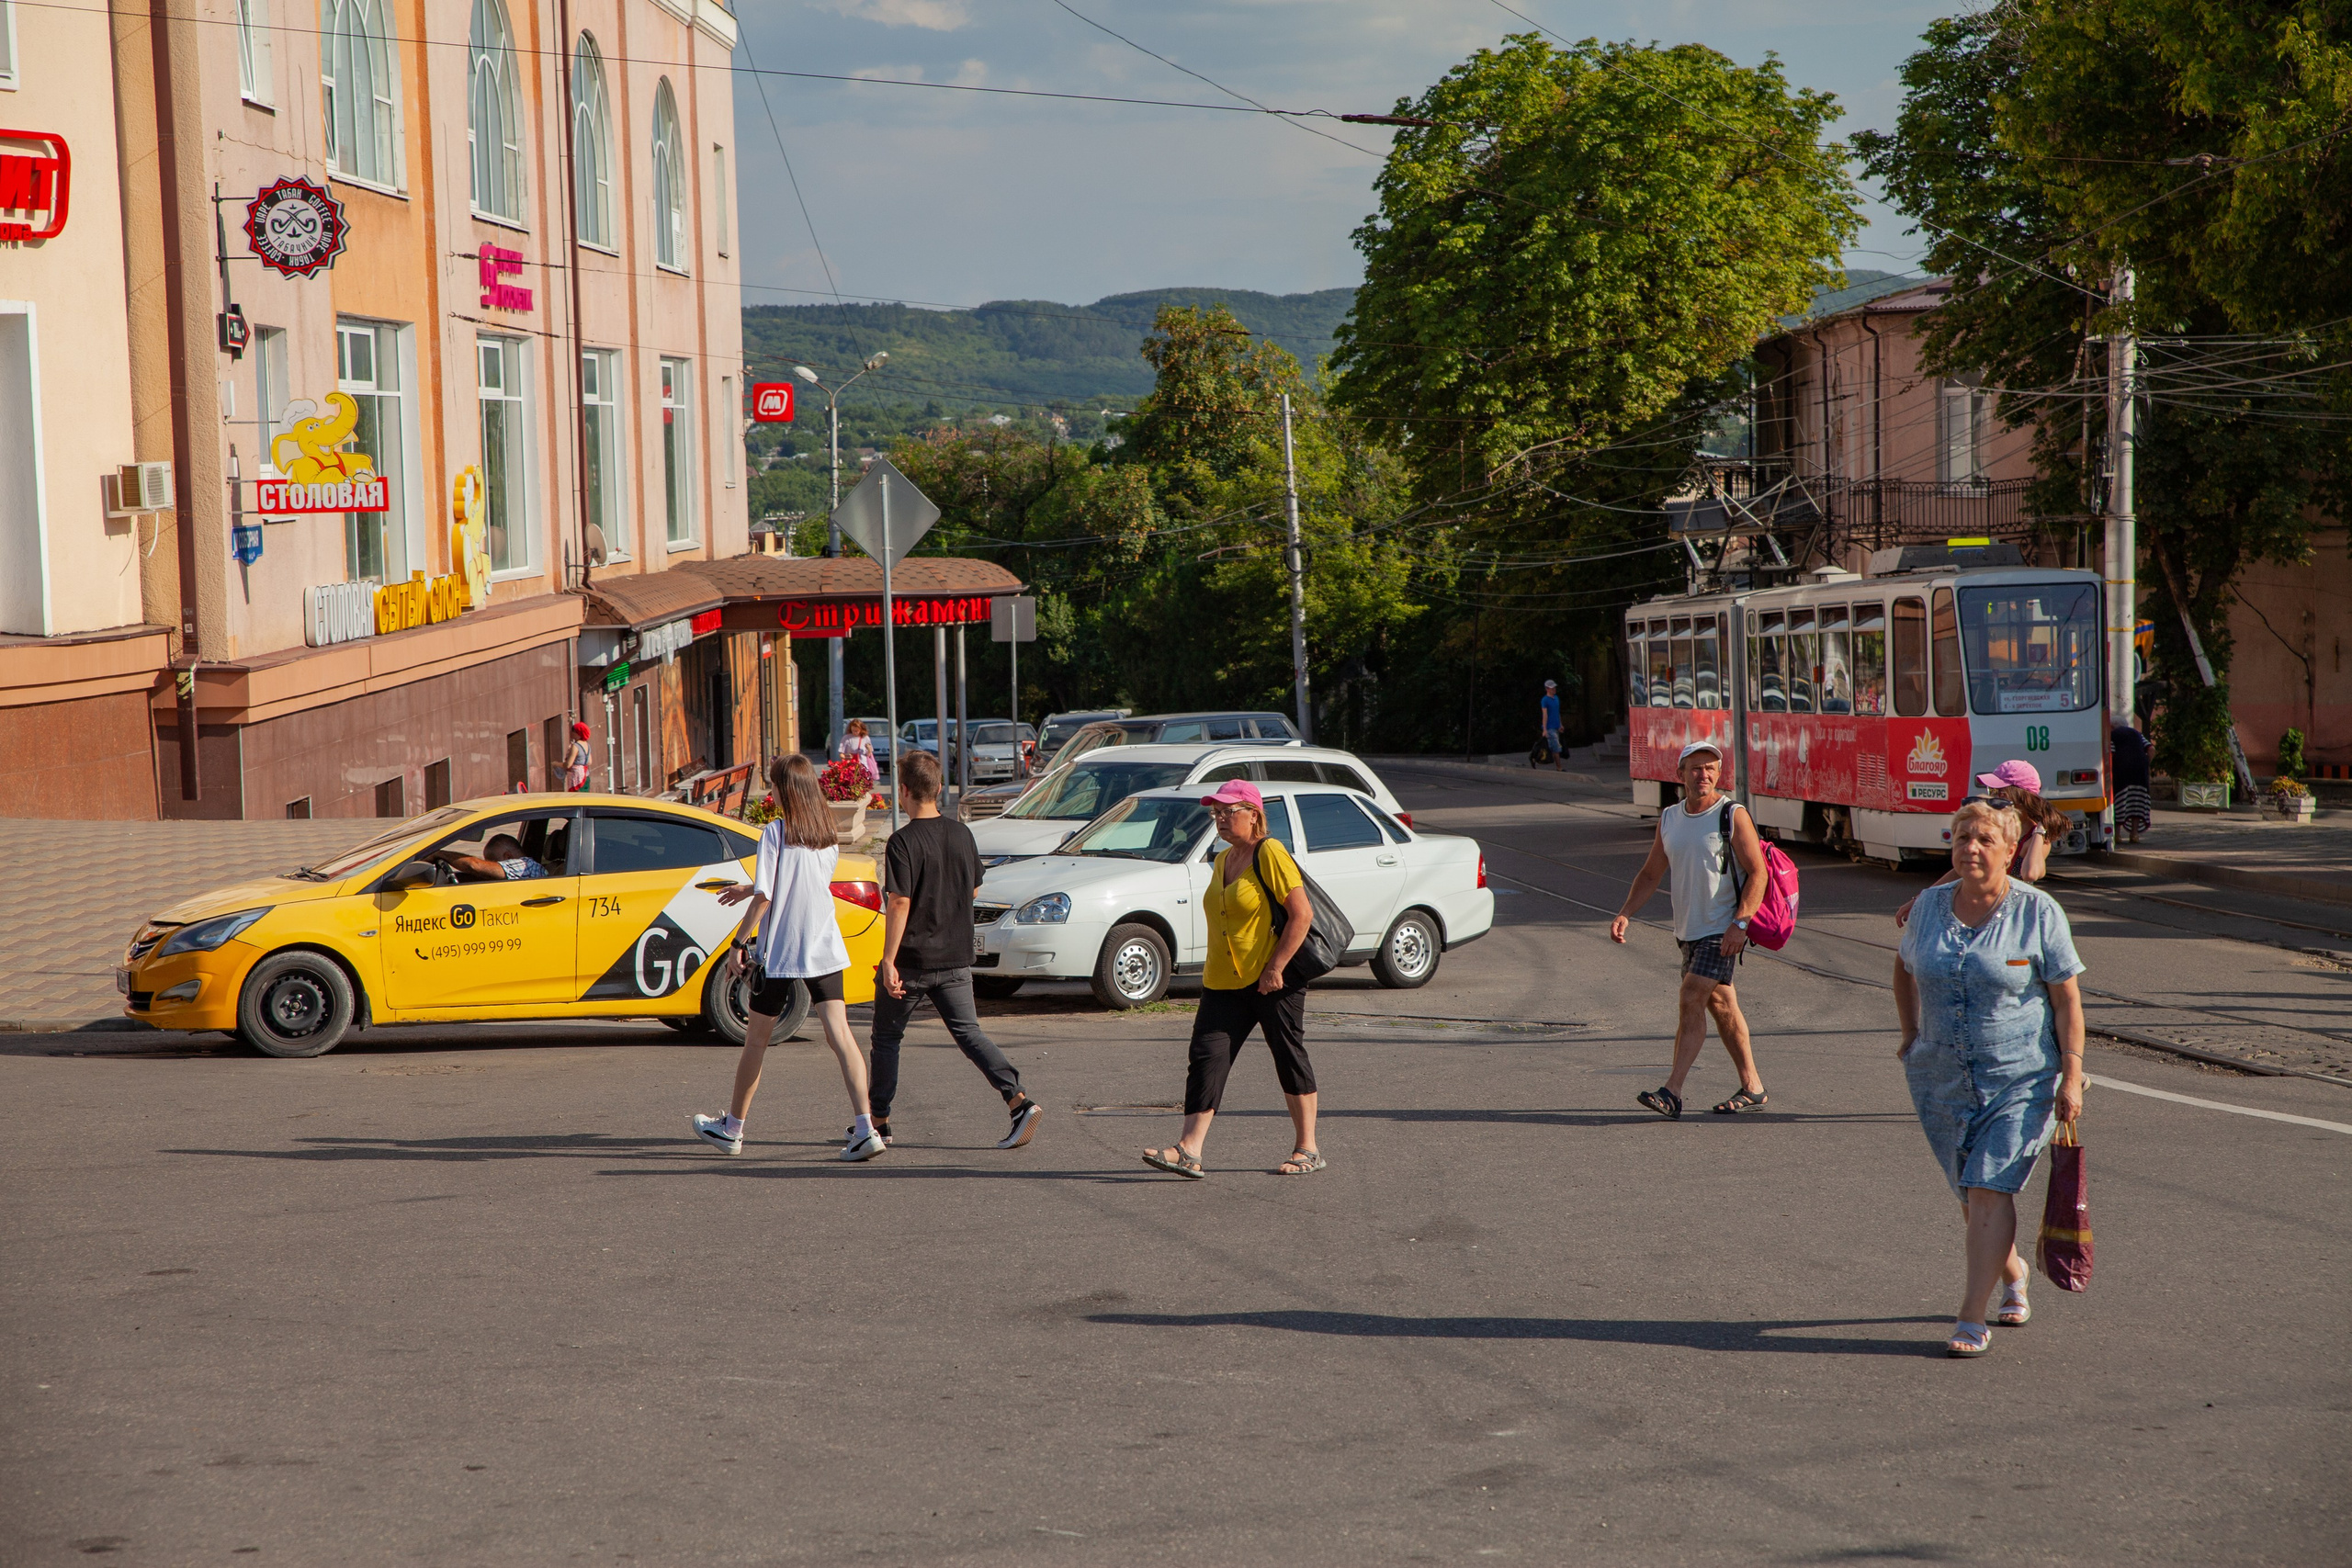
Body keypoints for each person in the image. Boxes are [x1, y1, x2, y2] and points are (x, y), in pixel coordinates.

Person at [1893, 798, 2087, 1358]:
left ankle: (1970, 1318)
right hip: (1940, 1077)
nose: (1970, 848)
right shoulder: (1928, 906)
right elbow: (1904, 967)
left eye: (1983, 840)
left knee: (1987, 1188)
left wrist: (2071, 1075)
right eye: (1961, 839)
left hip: (2022, 1076)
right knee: (1972, 1195)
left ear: (2010, 850)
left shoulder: (2038, 911)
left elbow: (2067, 999)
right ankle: (2013, 1272)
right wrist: (1910, 1034)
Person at [692, 753, 886, 1162]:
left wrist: (738, 944)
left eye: (774, 785)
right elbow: (799, 884)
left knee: (755, 1042)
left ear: (786, 791)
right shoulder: (826, 836)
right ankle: (867, 1127)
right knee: (841, 1037)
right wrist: (751, 890)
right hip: (824, 948)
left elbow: (768, 896)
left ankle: (733, 1130)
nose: (771, 791)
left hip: (783, 953)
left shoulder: (775, 833)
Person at [1143, 779, 1322, 1178]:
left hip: (1272, 979)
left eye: (1229, 812)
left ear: (1254, 815)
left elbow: (1302, 914)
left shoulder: (1270, 852)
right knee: (1207, 1058)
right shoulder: (1224, 859)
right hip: (1224, 981)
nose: (1221, 819)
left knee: (1288, 1055)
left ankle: (1307, 1148)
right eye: (1216, 813)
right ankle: (1189, 1149)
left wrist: (1275, 968)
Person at [870, 749, 1041, 1151]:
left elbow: (899, 902)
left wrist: (888, 960)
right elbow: (975, 887)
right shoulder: (963, 834)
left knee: (887, 1039)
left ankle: (878, 1124)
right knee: (969, 1034)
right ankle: (1018, 1099)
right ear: (939, 789)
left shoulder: (902, 841)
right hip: (957, 956)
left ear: (905, 791)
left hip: (912, 959)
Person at [1608, 739, 1770, 1117]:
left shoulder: (1731, 814)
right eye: (1696, 768)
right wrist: (1625, 912)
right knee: (1721, 1004)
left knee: (1691, 995)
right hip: (1688, 931)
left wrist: (1740, 923)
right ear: (1680, 774)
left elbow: (1758, 872)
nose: (1705, 775)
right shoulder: (1670, 818)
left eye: (1711, 768)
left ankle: (1672, 1090)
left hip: (1722, 928)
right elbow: (1651, 873)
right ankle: (1753, 1087)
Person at [1895, 761, 2069, 927]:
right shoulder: (1998, 830)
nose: (1992, 796)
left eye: (1998, 792)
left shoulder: (2035, 837)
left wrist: (2041, 829)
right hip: (1985, 911)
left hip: (2014, 918)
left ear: (2019, 796)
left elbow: (2030, 874)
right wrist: (1920, 899)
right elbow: (1960, 870)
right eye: (1991, 790)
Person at [429, 833, 545, 882]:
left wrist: (439, 854)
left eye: (494, 862)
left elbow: (475, 866)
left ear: (508, 857)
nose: (490, 866)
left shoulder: (524, 865)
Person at [2111, 722, 2154, 844]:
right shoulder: (2138, 734)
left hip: (2121, 771)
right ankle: (2134, 834)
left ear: (2112, 726)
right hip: (2140, 772)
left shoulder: (2113, 735)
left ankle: (2117, 835)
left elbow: (2111, 753)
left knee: (2119, 800)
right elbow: (2152, 750)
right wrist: (2145, 764)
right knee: (2137, 801)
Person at [1538, 679, 1566, 771]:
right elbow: (1545, 714)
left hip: (1556, 726)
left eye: (1554, 687)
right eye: (1552, 688)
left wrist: (1560, 724)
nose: (1554, 689)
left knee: (1552, 747)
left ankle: (1539, 758)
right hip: (1550, 727)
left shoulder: (1556, 698)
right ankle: (1559, 767)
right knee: (1556, 748)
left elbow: (1557, 712)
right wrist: (1545, 729)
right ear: (1547, 689)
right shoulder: (1545, 700)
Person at [842, 719, 877, 786]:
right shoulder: (847, 738)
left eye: (857, 731)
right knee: (852, 783)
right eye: (853, 731)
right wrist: (846, 756)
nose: (855, 733)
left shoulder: (866, 738)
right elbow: (842, 754)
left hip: (863, 765)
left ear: (861, 729)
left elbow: (869, 755)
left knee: (863, 784)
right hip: (851, 766)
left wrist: (869, 749)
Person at [565, 721, 593, 791]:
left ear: (578, 734)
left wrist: (557, 764)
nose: (570, 732)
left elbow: (568, 764)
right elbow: (589, 762)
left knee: (575, 799)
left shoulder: (575, 746)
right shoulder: (587, 744)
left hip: (577, 778)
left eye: (573, 731)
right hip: (586, 776)